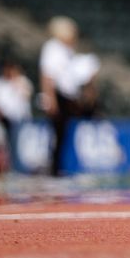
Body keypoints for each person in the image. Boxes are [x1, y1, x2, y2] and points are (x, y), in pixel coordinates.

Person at [38, 17, 99, 177]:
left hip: (68, 96)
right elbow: (47, 75)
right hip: (59, 95)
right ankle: (55, 169)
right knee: (58, 133)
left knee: (64, 133)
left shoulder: (67, 51)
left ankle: (61, 166)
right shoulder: (52, 48)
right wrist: (50, 98)